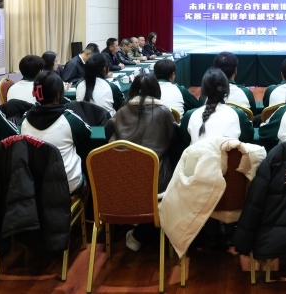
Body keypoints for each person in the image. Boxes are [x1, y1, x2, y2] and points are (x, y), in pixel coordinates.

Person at [108, 74, 179, 251]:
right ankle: (147, 231)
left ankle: (139, 229)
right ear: (156, 90)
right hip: (156, 183)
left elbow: (108, 136)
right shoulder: (164, 112)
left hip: (120, 180)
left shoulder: (120, 112)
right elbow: (175, 141)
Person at [20, 71, 91, 194]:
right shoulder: (69, 119)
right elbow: (87, 132)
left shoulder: (25, 120)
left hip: (36, 188)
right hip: (67, 187)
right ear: (59, 94)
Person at [180, 68, 254, 144]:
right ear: (226, 90)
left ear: (203, 90)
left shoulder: (190, 115)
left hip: (197, 152)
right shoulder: (239, 115)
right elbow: (248, 138)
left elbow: (183, 141)